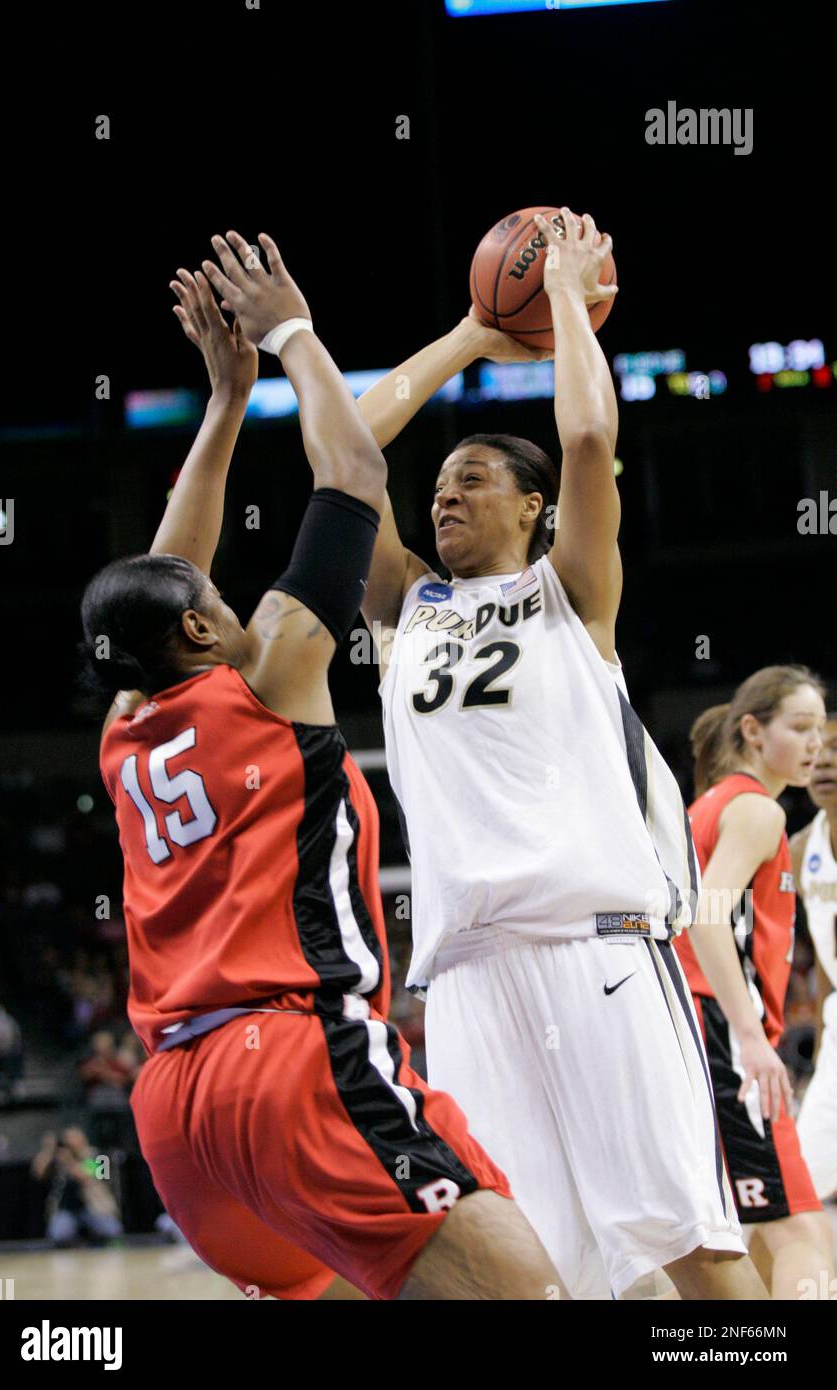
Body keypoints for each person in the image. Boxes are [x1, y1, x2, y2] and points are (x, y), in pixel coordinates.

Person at [80, 229, 564, 1302]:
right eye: (217, 603)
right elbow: (351, 467)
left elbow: (166, 573)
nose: (234, 599)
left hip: (173, 1116)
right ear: (202, 638)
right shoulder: (273, 675)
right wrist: (290, 333)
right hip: (288, 1064)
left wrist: (219, 408)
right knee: (521, 1292)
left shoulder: (124, 726)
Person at [352, 209, 763, 1299]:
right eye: (438, 483)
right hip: (468, 977)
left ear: (535, 510)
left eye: (474, 478)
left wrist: (572, 309)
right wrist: (471, 333)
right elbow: (347, 449)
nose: (444, 492)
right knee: (521, 1269)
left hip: (603, 952)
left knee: (689, 1243)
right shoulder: (403, 608)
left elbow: (586, 440)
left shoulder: (570, 594)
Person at [674, 666, 835, 1298]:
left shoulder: (704, 809)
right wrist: (749, 1034)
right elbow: (707, 916)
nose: (815, 743)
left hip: (689, 1026)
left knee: (748, 1231)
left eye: (821, 729)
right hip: (722, 1030)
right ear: (752, 730)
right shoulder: (755, 810)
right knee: (803, 1233)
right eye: (800, 728)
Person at [791, 713, 837, 1205]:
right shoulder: (804, 848)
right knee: (801, 1185)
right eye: (820, 749)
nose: (825, 759)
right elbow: (824, 960)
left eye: (836, 749)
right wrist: (825, 1038)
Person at [31, 1128, 123, 1247]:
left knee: (113, 1231)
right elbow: (39, 1173)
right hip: (67, 1209)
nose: (69, 1144)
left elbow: (84, 1176)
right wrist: (48, 1150)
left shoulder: (97, 1156)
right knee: (58, 1235)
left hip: (94, 1208)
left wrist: (69, 1160)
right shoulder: (59, 1157)